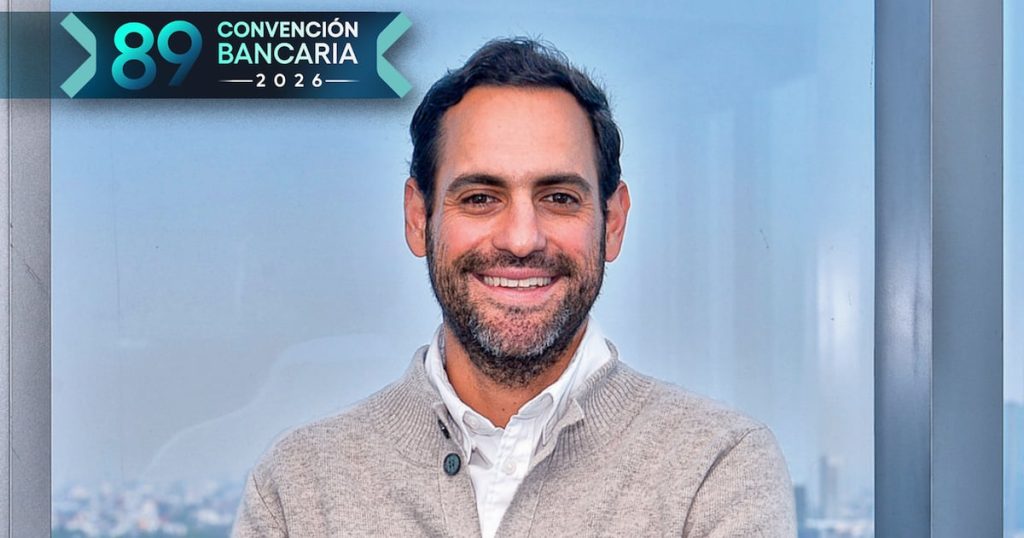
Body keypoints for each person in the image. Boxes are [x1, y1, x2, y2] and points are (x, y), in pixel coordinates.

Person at [232, 38, 796, 537]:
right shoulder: (298, 485)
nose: (522, 239)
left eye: (559, 198)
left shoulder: (717, 468)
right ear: (418, 219)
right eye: (480, 198)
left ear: (613, 223)